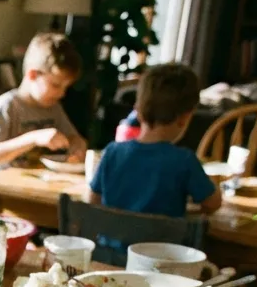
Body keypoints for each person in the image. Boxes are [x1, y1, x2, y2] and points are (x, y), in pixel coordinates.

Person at [87, 63, 221, 222]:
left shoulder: (112, 152)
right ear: (185, 117)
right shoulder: (184, 161)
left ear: (138, 111)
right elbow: (213, 204)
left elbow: (92, 202)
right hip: (163, 247)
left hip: (109, 247)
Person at [0, 32, 86, 170]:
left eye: (66, 87)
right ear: (33, 75)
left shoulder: (54, 108)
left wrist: (77, 146)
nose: (62, 93)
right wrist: (33, 138)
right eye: (56, 85)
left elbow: (74, 138)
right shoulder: (7, 106)